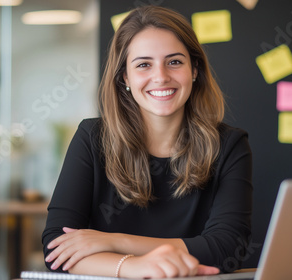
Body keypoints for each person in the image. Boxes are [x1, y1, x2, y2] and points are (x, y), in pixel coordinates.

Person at [42, 5, 253, 278]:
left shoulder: (230, 145)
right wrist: (132, 266)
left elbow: (226, 249)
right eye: (143, 64)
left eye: (175, 61)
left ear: (195, 69)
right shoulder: (92, 138)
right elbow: (56, 250)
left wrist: (115, 242)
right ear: (125, 78)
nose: (161, 76)